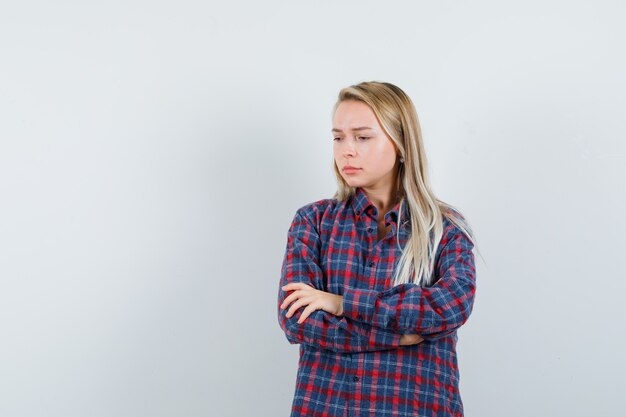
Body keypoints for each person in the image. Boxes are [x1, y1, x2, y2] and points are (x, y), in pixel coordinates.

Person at [277, 81, 478, 417]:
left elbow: (449, 308)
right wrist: (400, 336)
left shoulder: (445, 228)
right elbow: (298, 320)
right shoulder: (313, 221)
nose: (346, 150)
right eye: (338, 137)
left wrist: (341, 304)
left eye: (363, 136)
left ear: (400, 144)